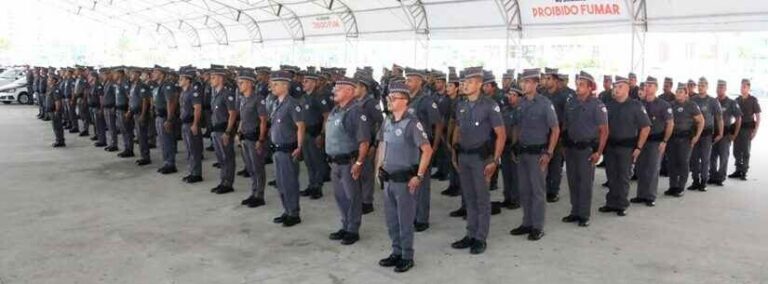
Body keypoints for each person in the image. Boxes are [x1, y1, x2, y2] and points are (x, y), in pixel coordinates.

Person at [376, 81, 433, 273]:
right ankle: (396, 251)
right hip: (388, 180)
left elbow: (427, 150)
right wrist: (378, 168)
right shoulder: (388, 121)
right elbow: (382, 145)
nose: (389, 101)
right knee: (392, 219)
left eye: (393, 98)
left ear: (405, 101)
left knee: (405, 220)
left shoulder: (412, 123)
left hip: (405, 181)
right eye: (388, 98)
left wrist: (419, 175)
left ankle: (407, 255)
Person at [449, 66, 505, 253]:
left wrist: (495, 161)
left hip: (481, 159)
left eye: (470, 82)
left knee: (482, 199)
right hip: (464, 156)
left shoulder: (490, 105)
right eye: (464, 82)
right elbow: (458, 129)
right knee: (469, 197)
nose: (465, 85)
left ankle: (480, 237)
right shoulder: (461, 105)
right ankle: (470, 234)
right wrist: (454, 152)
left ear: (480, 84)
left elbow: (501, 134)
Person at [509, 68, 558, 241]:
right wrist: (515, 145)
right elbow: (516, 125)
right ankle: (527, 222)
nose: (524, 84)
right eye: (523, 81)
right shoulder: (521, 103)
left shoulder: (545, 103)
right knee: (524, 189)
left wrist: (549, 152)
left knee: (537, 191)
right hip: (522, 152)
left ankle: (537, 226)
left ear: (536, 84)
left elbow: (555, 129)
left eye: (528, 82)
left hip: (538, 153)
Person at [326, 76, 371, 245]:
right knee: (340, 197)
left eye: (338, 89)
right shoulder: (336, 110)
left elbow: (364, 141)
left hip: (348, 163)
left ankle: (353, 229)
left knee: (352, 197)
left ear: (350, 91)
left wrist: (359, 163)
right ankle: (345, 225)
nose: (334, 91)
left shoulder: (356, 112)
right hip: (335, 162)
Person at [562, 71, 608, 227]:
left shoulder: (597, 105)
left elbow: (604, 130)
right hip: (571, 148)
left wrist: (599, 152)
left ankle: (584, 214)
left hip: (586, 149)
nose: (578, 87)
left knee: (585, 182)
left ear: (590, 87)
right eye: (577, 84)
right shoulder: (571, 102)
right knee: (572, 181)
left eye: (581, 85)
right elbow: (565, 125)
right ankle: (574, 211)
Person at [600, 75, 650, 217]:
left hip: (626, 147)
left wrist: (638, 147)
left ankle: (621, 204)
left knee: (623, 176)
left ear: (628, 88)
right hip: (610, 146)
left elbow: (645, 127)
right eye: (615, 87)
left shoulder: (635, 105)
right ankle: (611, 203)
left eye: (620, 87)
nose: (616, 90)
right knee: (611, 175)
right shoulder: (608, 105)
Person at [405, 68, 444, 232]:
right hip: (407, 148)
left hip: (422, 147)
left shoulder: (427, 100)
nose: (407, 83)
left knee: (422, 183)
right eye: (406, 80)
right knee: (408, 182)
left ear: (420, 81)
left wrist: (434, 146)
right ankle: (411, 214)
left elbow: (439, 123)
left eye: (411, 80)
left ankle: (421, 218)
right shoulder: (405, 99)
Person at [269, 70, 305, 227]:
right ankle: (287, 210)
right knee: (281, 182)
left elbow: (301, 126)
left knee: (290, 182)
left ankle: (294, 213)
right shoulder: (277, 103)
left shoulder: (292, 104)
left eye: (276, 84)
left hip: (288, 149)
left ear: (285, 86)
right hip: (277, 149)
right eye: (272, 84)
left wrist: (299, 146)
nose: (272, 87)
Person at [631, 76, 673, 207]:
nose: (647, 87)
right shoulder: (639, 103)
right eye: (646, 85)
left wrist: (665, 141)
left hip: (655, 141)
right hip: (641, 141)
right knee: (641, 168)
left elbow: (670, 123)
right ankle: (641, 194)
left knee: (653, 168)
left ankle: (650, 196)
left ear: (656, 88)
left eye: (650, 85)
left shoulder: (663, 105)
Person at [665, 83, 704, 197]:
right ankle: (673, 186)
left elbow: (701, 121)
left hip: (686, 139)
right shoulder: (671, 105)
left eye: (681, 92)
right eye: (677, 92)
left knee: (683, 162)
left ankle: (681, 187)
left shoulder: (692, 105)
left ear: (686, 94)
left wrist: (697, 136)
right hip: (672, 138)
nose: (678, 94)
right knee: (672, 163)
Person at [298, 69, 332, 200]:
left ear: (314, 83)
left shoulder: (319, 97)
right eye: (304, 81)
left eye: (306, 81)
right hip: (305, 133)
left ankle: (317, 187)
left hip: (315, 133)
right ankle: (311, 185)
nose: (303, 83)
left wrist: (322, 134)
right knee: (308, 161)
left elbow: (326, 116)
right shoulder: (303, 97)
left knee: (317, 161)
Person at [688, 77, 723, 192]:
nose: (701, 87)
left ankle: (703, 181)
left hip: (707, 134)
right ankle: (695, 181)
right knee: (694, 158)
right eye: (699, 85)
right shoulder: (692, 99)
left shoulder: (713, 101)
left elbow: (719, 118)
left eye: (703, 85)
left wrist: (721, 133)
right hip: (694, 132)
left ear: (707, 87)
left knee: (705, 158)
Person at [209, 67, 239, 194]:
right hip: (216, 130)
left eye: (213, 77)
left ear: (221, 78)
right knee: (221, 158)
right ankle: (223, 181)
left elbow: (232, 114)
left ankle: (228, 183)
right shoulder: (216, 93)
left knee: (227, 157)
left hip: (223, 130)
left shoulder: (227, 94)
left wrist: (228, 132)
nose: (211, 80)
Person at [541, 68, 568, 203]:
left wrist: (562, 136)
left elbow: (566, 118)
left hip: (557, 134)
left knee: (555, 164)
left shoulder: (563, 96)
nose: (546, 81)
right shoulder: (542, 95)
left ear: (556, 81)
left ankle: (553, 191)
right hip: (543, 134)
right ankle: (544, 188)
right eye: (545, 78)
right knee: (542, 161)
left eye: (549, 78)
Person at [709, 80, 741, 186]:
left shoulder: (731, 103)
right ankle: (712, 176)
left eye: (722, 87)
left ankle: (720, 177)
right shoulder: (712, 101)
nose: (719, 89)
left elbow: (738, 118)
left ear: (725, 89)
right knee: (712, 156)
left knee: (723, 156)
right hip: (713, 133)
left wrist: (734, 134)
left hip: (726, 134)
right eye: (718, 87)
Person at [730, 79, 761, 180]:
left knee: (745, 151)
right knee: (736, 150)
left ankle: (744, 171)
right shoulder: (736, 100)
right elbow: (732, 115)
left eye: (744, 86)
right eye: (741, 86)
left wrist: (755, 131)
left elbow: (758, 117)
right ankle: (738, 170)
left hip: (747, 129)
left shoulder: (753, 100)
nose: (742, 88)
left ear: (748, 88)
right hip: (737, 128)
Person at [179, 67, 204, 183]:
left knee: (194, 149)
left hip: (191, 123)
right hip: (185, 123)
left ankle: (196, 174)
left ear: (188, 80)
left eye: (182, 78)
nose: (179, 80)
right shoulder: (184, 92)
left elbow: (197, 108)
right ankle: (192, 171)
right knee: (189, 149)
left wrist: (195, 124)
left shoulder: (193, 92)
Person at [152, 66, 180, 174]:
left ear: (162, 74)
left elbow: (171, 102)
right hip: (159, 116)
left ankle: (170, 164)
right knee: (163, 141)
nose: (153, 74)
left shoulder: (167, 86)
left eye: (155, 72)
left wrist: (169, 119)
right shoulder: (159, 86)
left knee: (167, 141)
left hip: (165, 117)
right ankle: (166, 163)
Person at [114, 68, 134, 158]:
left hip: (124, 110)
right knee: (123, 130)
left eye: (115, 73)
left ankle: (129, 149)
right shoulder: (119, 83)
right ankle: (126, 148)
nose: (114, 75)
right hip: (119, 109)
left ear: (120, 74)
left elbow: (130, 98)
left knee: (127, 130)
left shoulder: (125, 83)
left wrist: (129, 111)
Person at [47, 73, 65, 147]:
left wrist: (57, 111)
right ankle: (58, 139)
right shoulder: (51, 88)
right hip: (51, 111)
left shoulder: (55, 89)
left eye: (49, 79)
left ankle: (60, 141)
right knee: (55, 126)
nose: (48, 81)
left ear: (54, 81)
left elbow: (57, 101)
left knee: (57, 126)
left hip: (55, 111)